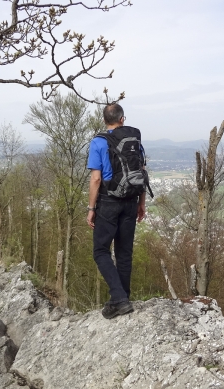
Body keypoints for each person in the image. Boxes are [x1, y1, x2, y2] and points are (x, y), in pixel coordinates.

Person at [86, 103, 146, 319]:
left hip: (108, 201)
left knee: (101, 251)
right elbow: (141, 172)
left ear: (104, 120)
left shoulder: (98, 142)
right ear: (122, 119)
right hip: (131, 200)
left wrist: (91, 208)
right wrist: (141, 203)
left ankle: (119, 299)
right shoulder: (134, 140)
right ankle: (123, 297)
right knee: (124, 252)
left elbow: (96, 178)